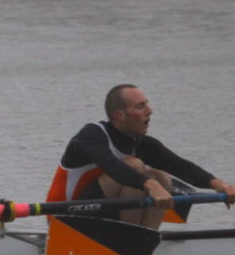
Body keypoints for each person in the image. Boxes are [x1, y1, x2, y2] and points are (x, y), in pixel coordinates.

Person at [46, 84, 235, 228]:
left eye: (147, 105)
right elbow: (113, 167)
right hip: (66, 218)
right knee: (135, 166)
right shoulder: (91, 135)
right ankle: (129, 240)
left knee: (162, 176)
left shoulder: (143, 143)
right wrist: (150, 186)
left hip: (103, 214)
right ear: (120, 115)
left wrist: (219, 185)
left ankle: (144, 238)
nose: (149, 110)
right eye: (140, 106)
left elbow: (179, 165)